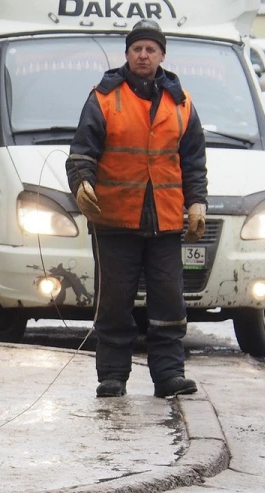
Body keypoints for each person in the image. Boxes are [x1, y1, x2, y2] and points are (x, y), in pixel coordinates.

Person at [65, 19, 208, 399]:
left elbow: (193, 161)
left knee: (169, 303)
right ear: (127, 54)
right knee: (114, 304)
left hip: (165, 221)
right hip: (115, 220)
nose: (143, 55)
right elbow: (81, 153)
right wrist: (82, 184)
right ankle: (112, 377)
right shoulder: (104, 98)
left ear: (162, 55)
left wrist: (197, 202)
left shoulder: (182, 103)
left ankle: (169, 376)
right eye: (137, 49)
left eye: (150, 49)